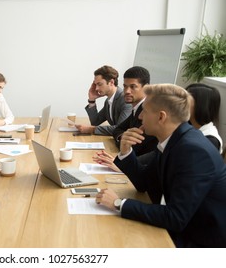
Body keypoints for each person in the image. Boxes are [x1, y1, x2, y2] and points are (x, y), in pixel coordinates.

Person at [96, 84, 226, 248]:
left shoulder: (193, 150)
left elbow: (175, 217)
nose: (140, 116)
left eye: (145, 111)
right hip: (182, 231)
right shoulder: (174, 140)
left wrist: (119, 203)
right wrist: (125, 151)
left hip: (199, 243)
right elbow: (143, 182)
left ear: (161, 117)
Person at [112, 66, 158, 156]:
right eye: (125, 86)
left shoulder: (149, 112)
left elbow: (134, 147)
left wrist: (124, 141)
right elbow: (117, 129)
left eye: (133, 87)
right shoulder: (136, 108)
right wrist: (124, 137)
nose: (127, 91)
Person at [75, 65, 131, 135]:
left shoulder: (125, 100)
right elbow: (95, 122)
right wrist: (92, 100)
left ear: (111, 82)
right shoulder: (108, 101)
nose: (96, 88)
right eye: (95, 85)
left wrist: (91, 129)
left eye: (99, 84)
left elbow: (120, 128)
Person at [186, 83, 223, 153]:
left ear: (201, 105)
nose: (181, 103)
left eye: (186, 100)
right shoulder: (188, 126)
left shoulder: (210, 140)